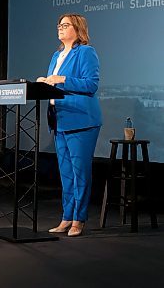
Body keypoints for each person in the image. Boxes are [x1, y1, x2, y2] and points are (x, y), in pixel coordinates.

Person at [37, 13, 102, 237]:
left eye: (65, 25)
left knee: (80, 172)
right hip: (59, 119)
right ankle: (66, 217)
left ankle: (79, 219)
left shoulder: (85, 52)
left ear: (78, 29)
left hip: (81, 120)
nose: (60, 28)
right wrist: (43, 84)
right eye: (59, 25)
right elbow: (53, 85)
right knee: (66, 173)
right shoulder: (56, 56)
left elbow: (91, 84)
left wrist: (62, 79)